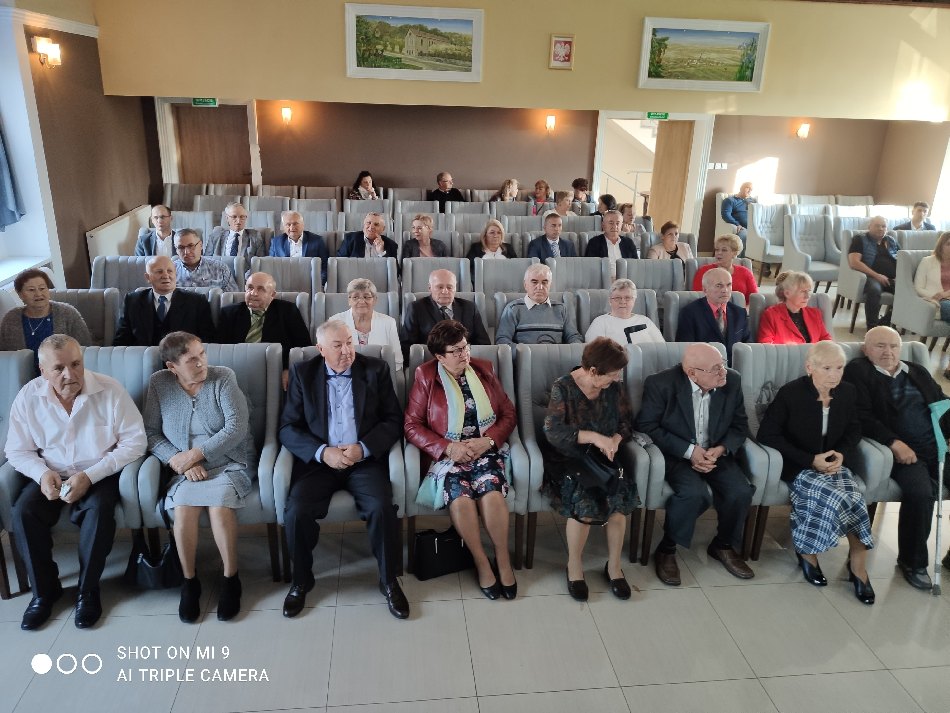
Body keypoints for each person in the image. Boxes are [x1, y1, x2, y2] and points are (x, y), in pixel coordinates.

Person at [6, 334, 147, 629]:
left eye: (76, 364)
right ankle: (44, 592)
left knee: (99, 512)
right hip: (51, 471)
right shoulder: (28, 396)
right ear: (42, 371)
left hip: (98, 472)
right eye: (59, 368)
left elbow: (135, 442)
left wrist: (90, 476)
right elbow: (17, 450)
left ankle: (88, 591)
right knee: (23, 512)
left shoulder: (110, 389)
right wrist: (41, 474)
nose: (70, 374)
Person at [279, 320, 407, 619]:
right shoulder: (303, 373)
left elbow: (393, 420)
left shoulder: (376, 369)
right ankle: (301, 581)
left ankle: (389, 580)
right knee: (296, 512)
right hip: (320, 463)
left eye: (350, 342)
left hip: (363, 460)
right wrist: (323, 453)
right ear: (321, 349)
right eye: (338, 345)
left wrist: (364, 447)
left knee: (381, 508)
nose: (347, 350)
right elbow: (288, 427)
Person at [144, 332, 254, 623]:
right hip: (184, 466)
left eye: (202, 354)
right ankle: (189, 581)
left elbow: (236, 427)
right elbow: (151, 433)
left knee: (219, 507)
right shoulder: (159, 384)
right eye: (191, 359)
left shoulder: (223, 377)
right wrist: (178, 461)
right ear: (172, 367)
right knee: (183, 510)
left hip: (227, 460)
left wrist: (196, 455)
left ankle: (231, 578)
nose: (201, 363)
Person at [404, 321, 517, 600]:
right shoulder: (426, 376)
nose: (464, 354)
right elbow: (411, 426)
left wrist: (488, 440)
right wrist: (447, 447)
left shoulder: (484, 369)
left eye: (465, 347)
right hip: (449, 456)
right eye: (455, 351)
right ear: (439, 357)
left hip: (484, 449)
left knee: (491, 493)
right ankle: (481, 561)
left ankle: (502, 558)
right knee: (461, 499)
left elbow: (508, 414)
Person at [758, 341, 875, 604]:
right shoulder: (791, 393)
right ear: (810, 367)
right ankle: (808, 552)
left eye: (839, 368)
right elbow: (768, 434)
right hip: (798, 465)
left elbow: (854, 429)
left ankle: (858, 567)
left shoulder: (848, 392)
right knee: (836, 497)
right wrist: (810, 460)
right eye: (827, 368)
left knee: (855, 498)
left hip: (833, 463)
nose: (835, 374)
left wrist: (841, 453)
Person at [637, 343, 755, 586]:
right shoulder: (661, 384)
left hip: (715, 453)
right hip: (678, 454)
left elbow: (740, 425)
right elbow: (647, 426)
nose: (723, 372)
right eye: (716, 368)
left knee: (740, 491)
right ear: (692, 373)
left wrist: (721, 449)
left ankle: (723, 545)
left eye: (723, 364)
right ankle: (667, 548)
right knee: (693, 493)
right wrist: (690, 452)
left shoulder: (731, 381)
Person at [843, 326, 946, 591]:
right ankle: (912, 562)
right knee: (921, 493)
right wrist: (893, 442)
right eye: (880, 346)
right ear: (865, 349)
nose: (888, 352)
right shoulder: (859, 371)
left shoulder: (917, 371)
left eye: (893, 346)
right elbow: (861, 415)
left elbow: (941, 404)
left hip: (936, 446)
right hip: (901, 453)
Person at [541, 338, 639, 601]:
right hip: (569, 457)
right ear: (593, 371)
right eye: (613, 373)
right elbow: (553, 432)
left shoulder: (614, 388)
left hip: (603, 458)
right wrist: (595, 437)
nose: (617, 378)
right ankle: (574, 566)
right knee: (584, 505)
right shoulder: (563, 387)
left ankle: (614, 567)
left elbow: (626, 424)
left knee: (617, 504)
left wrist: (615, 440)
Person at [216, 272, 312, 390]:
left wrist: (289, 369)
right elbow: (218, 350)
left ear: (272, 294)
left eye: (261, 289)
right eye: (250, 288)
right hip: (236, 370)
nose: (253, 293)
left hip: (275, 371)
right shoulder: (229, 313)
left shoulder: (288, 311)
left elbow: (303, 346)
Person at [113, 255, 216, 346]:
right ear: (148, 277)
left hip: (182, 359)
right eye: (159, 271)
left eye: (170, 271)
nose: (166, 275)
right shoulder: (133, 302)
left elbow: (209, 341)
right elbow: (121, 340)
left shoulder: (197, 302)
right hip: (143, 359)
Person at [0, 268, 91, 367]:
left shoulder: (68, 313)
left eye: (42, 288)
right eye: (31, 290)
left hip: (65, 372)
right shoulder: (10, 319)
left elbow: (86, 350)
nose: (38, 294)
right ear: (20, 294)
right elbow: (3, 356)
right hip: (22, 375)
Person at [401, 269, 490, 358]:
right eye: (440, 287)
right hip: (432, 360)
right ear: (430, 288)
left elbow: (483, 344)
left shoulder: (469, 308)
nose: (445, 291)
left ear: (455, 288)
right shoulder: (416, 308)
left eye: (449, 287)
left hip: (465, 360)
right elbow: (407, 346)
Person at [676, 267, 750, 365]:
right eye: (719, 286)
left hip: (736, 367)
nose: (725, 290)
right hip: (704, 367)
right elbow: (686, 350)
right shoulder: (689, 313)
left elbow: (748, 346)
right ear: (705, 290)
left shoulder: (740, 313)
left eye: (729, 285)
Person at [495, 264, 583, 345]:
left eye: (544, 282)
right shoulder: (513, 309)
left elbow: (574, 337)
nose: (540, 287)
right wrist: (521, 352)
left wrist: (574, 347)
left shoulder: (561, 309)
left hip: (557, 356)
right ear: (525, 285)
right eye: (534, 282)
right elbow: (502, 340)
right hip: (525, 356)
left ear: (550, 285)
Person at [329, 278, 403, 369]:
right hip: (345, 373)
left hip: (379, 374)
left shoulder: (388, 322)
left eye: (366, 297)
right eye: (355, 297)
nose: (361, 301)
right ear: (349, 300)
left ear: (375, 300)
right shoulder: (334, 322)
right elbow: (330, 357)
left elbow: (397, 360)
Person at [847, 215, 898, 329]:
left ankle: (885, 322)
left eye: (883, 226)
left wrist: (900, 276)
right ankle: (872, 328)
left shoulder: (891, 241)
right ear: (869, 227)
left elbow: (902, 260)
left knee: (907, 292)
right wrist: (877, 276)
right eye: (877, 226)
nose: (880, 229)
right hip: (870, 277)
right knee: (874, 290)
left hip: (891, 278)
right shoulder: (860, 239)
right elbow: (854, 262)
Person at [757, 270, 832, 344]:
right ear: (787, 293)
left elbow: (826, 340)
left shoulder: (815, 314)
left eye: (808, 291)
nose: (807, 296)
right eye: (802, 291)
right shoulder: (771, 315)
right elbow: (766, 344)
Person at [585, 278, 664, 345]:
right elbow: (595, 353)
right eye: (617, 298)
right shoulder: (600, 322)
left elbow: (661, 348)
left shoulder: (645, 321)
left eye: (627, 298)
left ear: (634, 300)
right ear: (610, 301)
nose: (622, 302)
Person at [692, 234, 758, 305]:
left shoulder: (745, 272)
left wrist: (744, 310)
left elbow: (754, 300)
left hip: (740, 310)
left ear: (735, 253)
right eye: (717, 250)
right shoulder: (704, 271)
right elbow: (698, 296)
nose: (719, 253)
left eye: (724, 250)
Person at [269, 210, 331, 285]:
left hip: (310, 283)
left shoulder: (317, 241)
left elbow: (325, 266)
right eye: (288, 224)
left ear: (302, 225)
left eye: (295, 224)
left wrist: (318, 284)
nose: (292, 227)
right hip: (283, 283)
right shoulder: (276, 242)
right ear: (283, 227)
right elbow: (271, 266)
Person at [913, 231, 950, 346]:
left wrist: (945, 294)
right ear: (941, 245)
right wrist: (937, 296)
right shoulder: (927, 261)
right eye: (949, 244)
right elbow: (918, 287)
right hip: (936, 301)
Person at [173, 228, 238, 291]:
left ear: (201, 245)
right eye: (181, 247)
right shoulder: (170, 271)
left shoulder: (220, 268)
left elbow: (233, 296)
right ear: (176, 250)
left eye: (191, 246)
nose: (187, 252)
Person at [205, 202, 266, 268]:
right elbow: (206, 262)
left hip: (245, 273)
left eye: (242, 217)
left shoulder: (255, 237)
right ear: (227, 218)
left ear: (246, 218)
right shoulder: (215, 237)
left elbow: (261, 263)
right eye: (234, 217)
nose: (238, 221)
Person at [584, 210, 638, 279]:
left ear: (621, 225)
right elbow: (590, 268)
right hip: (603, 281)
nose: (615, 226)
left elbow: (636, 266)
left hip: (627, 281)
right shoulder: (594, 243)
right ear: (603, 225)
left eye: (618, 223)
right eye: (611, 223)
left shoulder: (628, 243)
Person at [720, 181, 755, 251]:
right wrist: (737, 224)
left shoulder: (753, 201)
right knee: (743, 236)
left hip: (755, 228)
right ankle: (737, 258)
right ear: (741, 188)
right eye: (748, 188)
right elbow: (726, 215)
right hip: (743, 228)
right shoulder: (730, 200)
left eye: (751, 189)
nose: (750, 191)